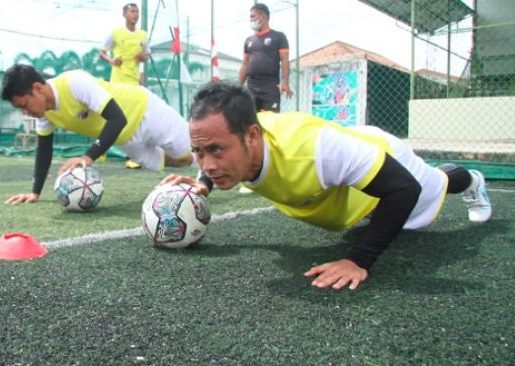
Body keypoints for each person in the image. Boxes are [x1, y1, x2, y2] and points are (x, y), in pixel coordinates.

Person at [162, 81, 492, 291]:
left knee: (439, 183)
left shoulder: (314, 150)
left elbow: (404, 188)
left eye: (215, 151)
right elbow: (210, 153)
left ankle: (474, 181)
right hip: (347, 173)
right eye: (198, 152)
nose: (206, 162)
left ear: (252, 136)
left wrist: (358, 260)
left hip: (389, 161)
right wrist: (203, 184)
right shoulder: (222, 143)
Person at [1, 64, 194, 205]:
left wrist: (88, 157)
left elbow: (117, 118)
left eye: (24, 105)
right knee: (181, 161)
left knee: (196, 150)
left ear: (37, 88)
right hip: (125, 139)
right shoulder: (45, 113)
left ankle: (212, 176)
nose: (24, 112)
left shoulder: (74, 82)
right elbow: (44, 150)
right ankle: (195, 164)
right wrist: (35, 192)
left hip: (146, 111)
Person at [99, 3, 151, 169]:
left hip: (134, 83)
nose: (135, 14)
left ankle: (133, 157)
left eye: (137, 12)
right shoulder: (115, 33)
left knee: (133, 119)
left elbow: (147, 55)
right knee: (110, 116)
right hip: (117, 82)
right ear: (124, 14)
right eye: (132, 11)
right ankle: (101, 150)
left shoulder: (143, 35)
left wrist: (143, 57)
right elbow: (102, 52)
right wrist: (111, 61)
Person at [238, 3, 293, 113]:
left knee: (271, 121)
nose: (251, 20)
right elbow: (245, 64)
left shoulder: (279, 37)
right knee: (252, 121)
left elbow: (284, 60)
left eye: (253, 16)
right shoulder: (248, 40)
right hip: (252, 86)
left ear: (263, 16)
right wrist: (238, 87)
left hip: (270, 87)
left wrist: (285, 83)